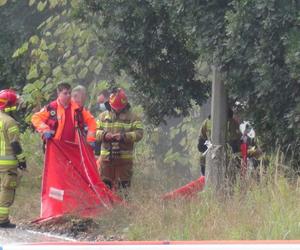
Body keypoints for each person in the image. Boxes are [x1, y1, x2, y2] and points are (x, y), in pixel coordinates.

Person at [96, 88, 143, 191]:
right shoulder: (102, 117)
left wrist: (124, 136)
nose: (117, 110)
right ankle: (107, 207)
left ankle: (122, 207)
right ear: (110, 104)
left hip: (124, 162)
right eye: (115, 108)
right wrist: (104, 135)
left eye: (119, 108)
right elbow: (95, 131)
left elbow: (139, 134)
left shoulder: (133, 118)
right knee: (105, 188)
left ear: (125, 105)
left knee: (123, 189)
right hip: (106, 161)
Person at [31, 83, 97, 145]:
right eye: (65, 93)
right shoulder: (52, 107)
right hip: (56, 146)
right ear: (59, 94)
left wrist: (90, 139)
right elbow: (35, 118)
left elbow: (91, 121)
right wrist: (45, 129)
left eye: (69, 93)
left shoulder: (77, 108)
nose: (68, 95)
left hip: (74, 146)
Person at [0, 89, 26, 228]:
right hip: (7, 164)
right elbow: (15, 144)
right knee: (6, 190)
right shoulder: (10, 122)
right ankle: (2, 219)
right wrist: (22, 160)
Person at [197, 108, 242, 176]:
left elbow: (235, 142)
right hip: (214, 155)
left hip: (225, 155)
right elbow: (201, 144)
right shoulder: (207, 122)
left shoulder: (232, 123)